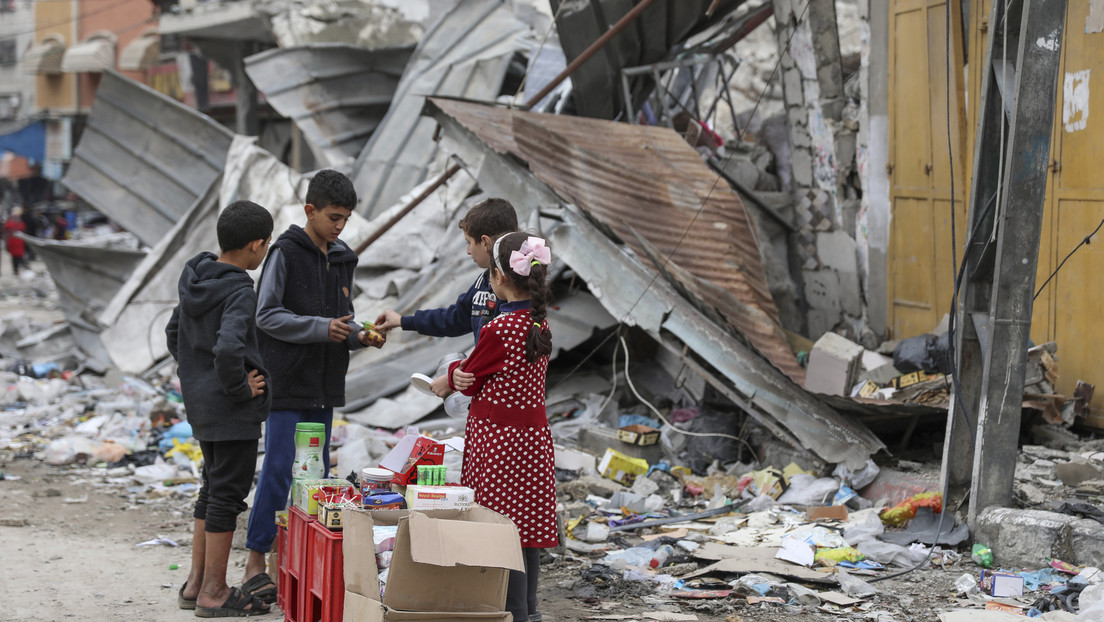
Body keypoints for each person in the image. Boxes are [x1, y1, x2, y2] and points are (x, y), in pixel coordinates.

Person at [241, 169, 383, 602]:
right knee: (280, 468)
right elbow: (265, 315)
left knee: (316, 477)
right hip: (286, 382)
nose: (340, 227)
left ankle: (301, 561)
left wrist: (360, 334)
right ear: (310, 210)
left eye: (346, 219)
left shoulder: (343, 257)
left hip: (324, 385)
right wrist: (322, 329)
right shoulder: (285, 252)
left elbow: (343, 317)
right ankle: (254, 559)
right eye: (333, 218)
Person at [165, 200, 274, 617]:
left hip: (203, 407)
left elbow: (174, 331)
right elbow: (230, 348)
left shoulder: (195, 275)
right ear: (255, 246)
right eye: (264, 246)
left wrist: (197, 377)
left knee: (211, 491)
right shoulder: (239, 289)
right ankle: (214, 590)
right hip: (232, 412)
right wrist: (238, 388)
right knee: (226, 496)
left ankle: (195, 584)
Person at [447, 232, 558, 622]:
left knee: (499, 529)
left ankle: (509, 613)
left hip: (500, 445)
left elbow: (469, 375)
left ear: (497, 277)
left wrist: (451, 372)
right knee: (525, 531)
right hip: (533, 443)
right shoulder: (540, 325)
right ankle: (526, 612)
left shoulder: (498, 329)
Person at [374, 197, 518, 396]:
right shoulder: (483, 283)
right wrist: (402, 321)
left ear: (485, 242)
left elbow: (496, 351)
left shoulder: (515, 295)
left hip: (505, 401)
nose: (467, 251)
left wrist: (452, 380)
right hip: (484, 398)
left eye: (469, 243)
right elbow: (455, 318)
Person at [4, 207, 26, 275]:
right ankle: (17, 269)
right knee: (18, 256)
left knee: (15, 257)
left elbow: (6, 229)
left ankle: (16, 269)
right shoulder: (20, 223)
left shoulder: (10, 222)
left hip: (15, 241)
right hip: (17, 242)